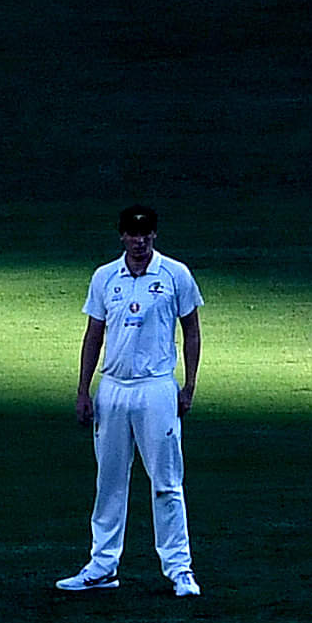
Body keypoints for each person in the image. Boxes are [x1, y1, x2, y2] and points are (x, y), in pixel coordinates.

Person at [58, 207, 202, 596]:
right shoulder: (105, 277)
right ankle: (102, 565)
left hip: (156, 388)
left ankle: (179, 569)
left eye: (146, 234)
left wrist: (187, 387)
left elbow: (191, 332)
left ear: (154, 235)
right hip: (114, 388)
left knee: (167, 482)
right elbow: (93, 335)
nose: (139, 242)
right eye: (132, 234)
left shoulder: (175, 274)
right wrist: (83, 390)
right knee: (109, 481)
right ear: (121, 236)